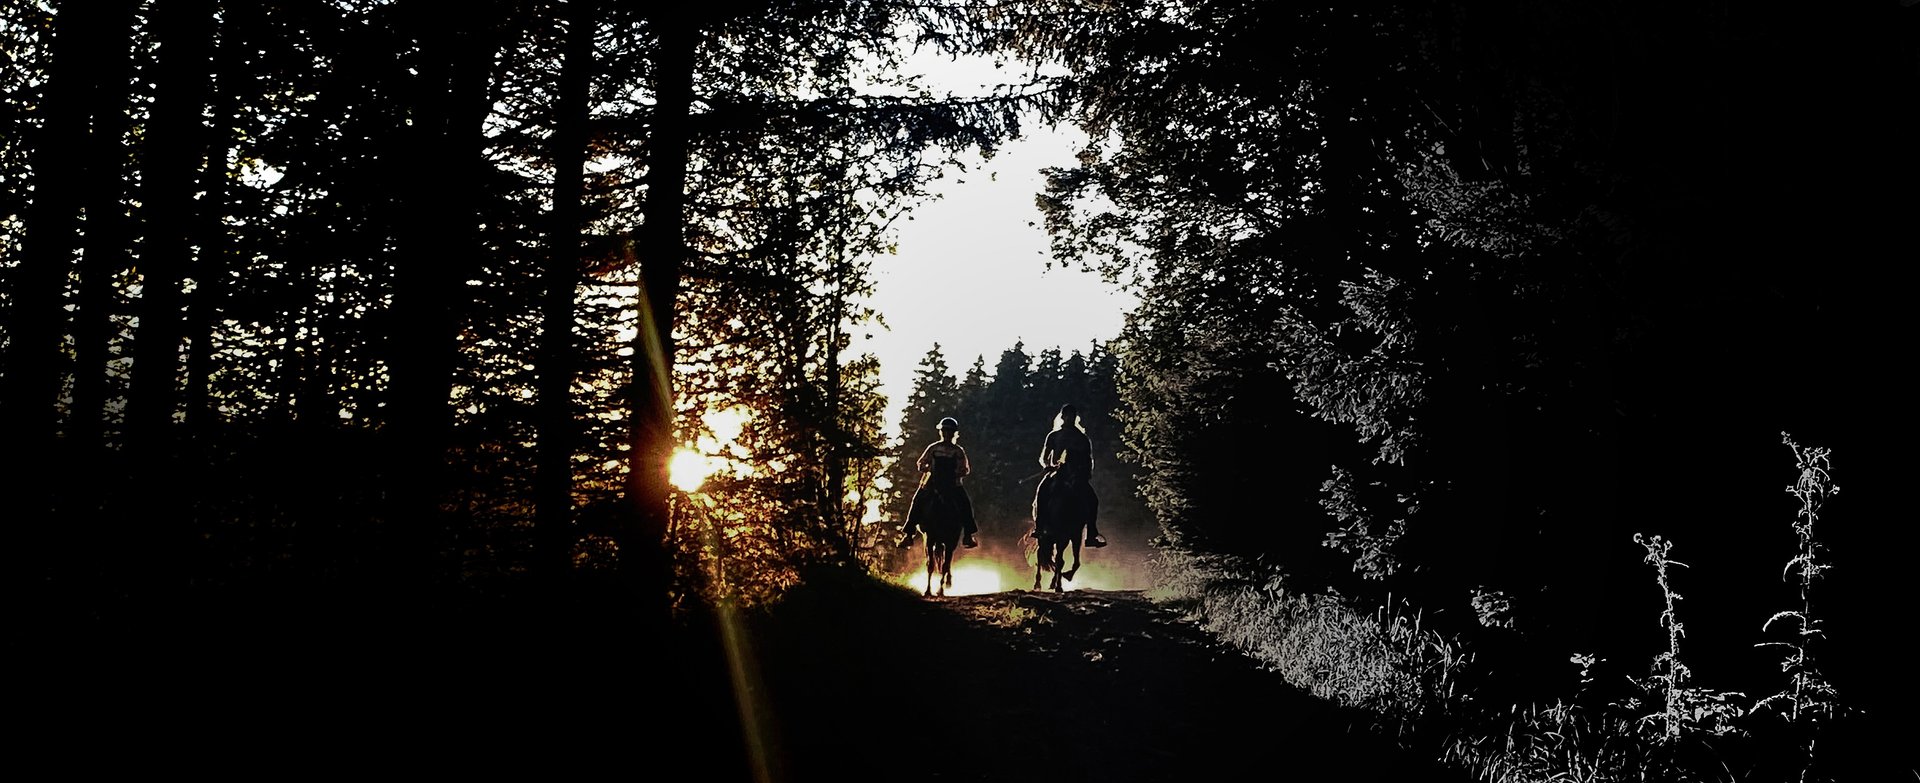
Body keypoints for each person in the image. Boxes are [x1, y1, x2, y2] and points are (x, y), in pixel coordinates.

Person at [897, 416, 979, 549]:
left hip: (952, 484)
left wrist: (956, 473)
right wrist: (928, 468)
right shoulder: (933, 448)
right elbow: (921, 463)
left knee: (965, 504)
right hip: (932, 482)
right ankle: (909, 534)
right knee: (917, 500)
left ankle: (968, 535)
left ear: (954, 434)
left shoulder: (958, 451)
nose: (947, 434)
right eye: (945, 431)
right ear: (941, 432)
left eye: (949, 431)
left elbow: (965, 469)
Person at [1033, 403, 1106, 547]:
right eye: (1067, 416)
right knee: (1042, 492)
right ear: (1062, 417)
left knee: (1093, 500)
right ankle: (1039, 527)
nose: (1069, 418)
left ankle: (1091, 534)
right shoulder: (1053, 436)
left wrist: (1085, 473)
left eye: (1072, 416)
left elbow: (1088, 459)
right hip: (1057, 474)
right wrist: (1047, 466)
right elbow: (1043, 457)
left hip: (1077, 477)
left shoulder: (1082, 439)